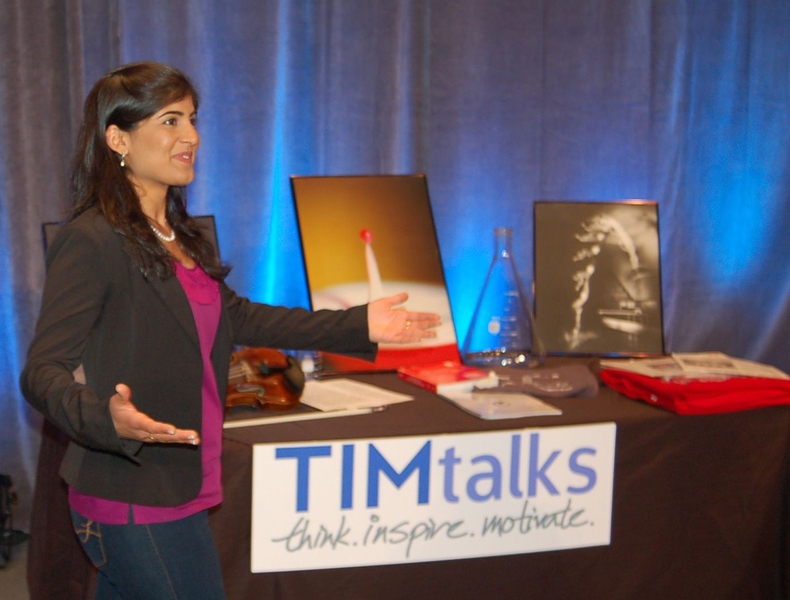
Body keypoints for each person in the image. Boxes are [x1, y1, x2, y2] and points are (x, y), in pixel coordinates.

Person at [19, 61, 440, 599]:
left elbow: (237, 316)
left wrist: (358, 324)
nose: (190, 136)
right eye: (170, 121)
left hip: (183, 480)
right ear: (118, 139)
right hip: (133, 491)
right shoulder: (92, 240)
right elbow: (42, 371)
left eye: (192, 120)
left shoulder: (182, 234)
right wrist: (105, 417)